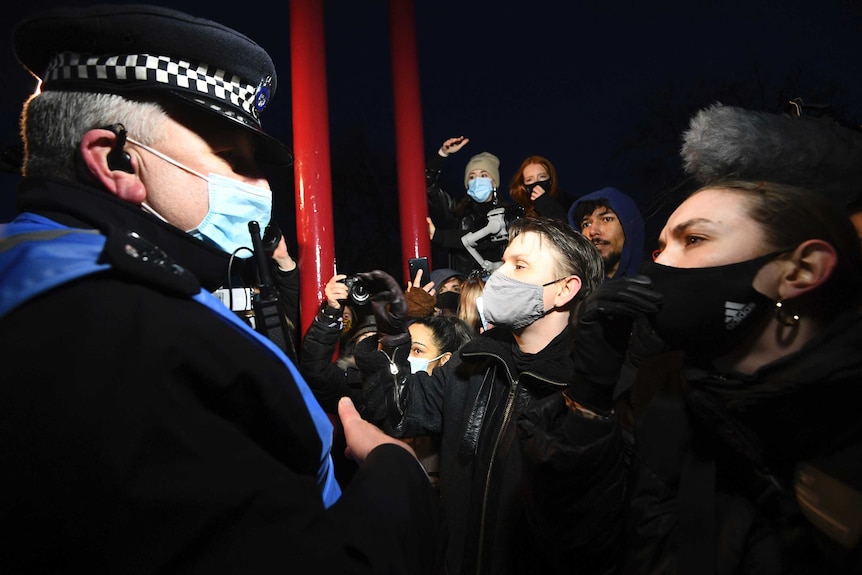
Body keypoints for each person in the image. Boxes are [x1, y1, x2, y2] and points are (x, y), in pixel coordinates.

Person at [0, 5, 439, 573]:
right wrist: (395, 476)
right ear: (117, 160)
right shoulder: (137, 333)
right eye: (232, 158)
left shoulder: (47, 271)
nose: (260, 187)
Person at [518, 180, 862, 574]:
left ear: (801, 269)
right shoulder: (662, 399)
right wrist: (591, 396)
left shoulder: (845, 430)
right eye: (661, 247)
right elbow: (582, 545)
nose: (659, 265)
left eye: (695, 239)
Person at [352, 216, 605, 575]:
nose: (500, 276)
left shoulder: (585, 388)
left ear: (564, 290)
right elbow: (397, 412)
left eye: (519, 266)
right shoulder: (471, 362)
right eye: (503, 262)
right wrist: (393, 340)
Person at [425, 136, 519, 276]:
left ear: (494, 182)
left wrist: (441, 236)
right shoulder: (457, 212)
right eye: (472, 177)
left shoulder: (510, 214)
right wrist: (443, 153)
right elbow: (427, 185)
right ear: (467, 184)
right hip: (466, 286)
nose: (477, 180)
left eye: (483, 175)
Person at [568, 186, 645, 278]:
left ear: (629, 227)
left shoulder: (657, 285)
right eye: (586, 224)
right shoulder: (571, 287)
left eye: (607, 219)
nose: (593, 231)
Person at [508, 155, 569, 221]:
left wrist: (546, 203)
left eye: (542, 176)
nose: (536, 184)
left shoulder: (569, 205)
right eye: (529, 180)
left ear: (551, 180)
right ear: (523, 186)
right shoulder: (517, 213)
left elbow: (566, 227)